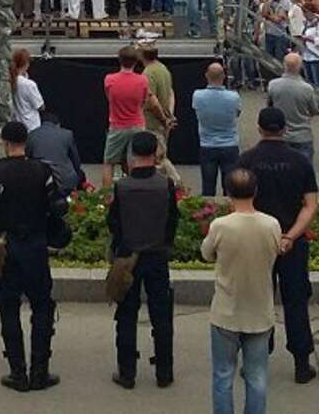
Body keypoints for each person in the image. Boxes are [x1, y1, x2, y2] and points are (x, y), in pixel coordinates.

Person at [0, 120, 64, 392]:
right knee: (42, 307)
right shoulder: (43, 170)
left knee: (8, 307)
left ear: (4, 142)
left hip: (6, 245)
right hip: (36, 245)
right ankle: (40, 371)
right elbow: (59, 207)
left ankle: (18, 372)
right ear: (26, 142)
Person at [236, 107, 319, 384]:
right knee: (296, 300)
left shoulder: (246, 160)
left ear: (259, 128)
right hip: (291, 243)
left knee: (257, 301)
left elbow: (237, 205)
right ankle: (301, 362)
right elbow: (310, 205)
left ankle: (255, 360)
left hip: (256, 241)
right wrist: (291, 236)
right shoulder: (300, 162)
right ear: (285, 129)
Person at [201, 167, 277, 414]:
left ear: (228, 192)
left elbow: (206, 253)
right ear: (256, 191)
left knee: (223, 375)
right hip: (260, 311)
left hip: (226, 311)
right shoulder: (271, 224)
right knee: (257, 377)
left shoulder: (221, 225)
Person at [108, 130, 178, 389]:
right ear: (155, 154)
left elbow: (113, 223)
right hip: (158, 256)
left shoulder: (122, 186)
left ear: (133, 155)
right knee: (161, 314)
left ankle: (127, 372)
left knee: (126, 314)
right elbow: (173, 220)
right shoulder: (165, 184)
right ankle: (164, 371)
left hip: (128, 257)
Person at [102, 48, 150, 188]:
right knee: (135, 163)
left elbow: (109, 98)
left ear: (119, 60)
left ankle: (106, 197)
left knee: (108, 163)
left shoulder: (109, 79)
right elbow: (144, 102)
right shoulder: (143, 80)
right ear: (136, 62)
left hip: (117, 125)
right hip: (137, 125)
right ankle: (135, 193)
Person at [193, 62, 242, 196]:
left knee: (208, 187)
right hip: (230, 144)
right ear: (224, 76)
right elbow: (237, 114)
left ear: (206, 76)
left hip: (207, 144)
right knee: (231, 188)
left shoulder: (197, 95)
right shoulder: (234, 97)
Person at [266, 53, 319, 165]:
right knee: (304, 172)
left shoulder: (272, 85)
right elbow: (314, 110)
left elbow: (269, 106)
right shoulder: (307, 89)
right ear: (300, 66)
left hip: (280, 135)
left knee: (281, 171)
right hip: (302, 135)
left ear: (284, 65)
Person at [25, 104, 84, 195]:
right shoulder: (67, 134)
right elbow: (75, 160)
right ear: (58, 124)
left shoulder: (32, 135)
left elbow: (28, 159)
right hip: (65, 181)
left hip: (41, 181)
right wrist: (78, 175)